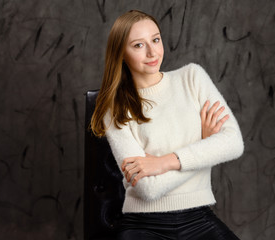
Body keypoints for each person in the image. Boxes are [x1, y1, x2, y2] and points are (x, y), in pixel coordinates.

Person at [91, 9, 244, 240]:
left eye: (155, 39)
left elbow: (233, 143)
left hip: (198, 219)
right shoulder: (114, 107)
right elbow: (148, 189)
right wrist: (206, 147)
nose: (152, 52)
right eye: (138, 45)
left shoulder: (192, 77)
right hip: (143, 226)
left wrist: (164, 162)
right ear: (121, 53)